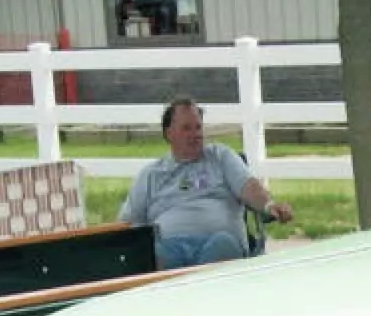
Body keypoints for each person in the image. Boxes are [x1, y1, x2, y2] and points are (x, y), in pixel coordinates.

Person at [119, 96, 294, 269]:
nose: (195, 134)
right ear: (168, 133)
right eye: (186, 128)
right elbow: (128, 223)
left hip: (217, 243)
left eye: (198, 127)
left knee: (223, 245)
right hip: (169, 248)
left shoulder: (220, 157)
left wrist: (269, 206)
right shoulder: (151, 175)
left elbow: (248, 186)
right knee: (150, 256)